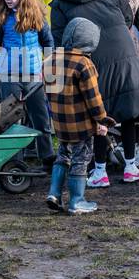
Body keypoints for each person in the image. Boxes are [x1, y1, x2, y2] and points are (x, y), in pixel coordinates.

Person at [48, 0, 139, 187]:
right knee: (127, 113)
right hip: (123, 52)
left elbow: (59, 37)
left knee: (100, 115)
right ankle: (131, 167)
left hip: (90, 58)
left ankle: (100, 171)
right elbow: (127, 16)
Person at [0, 0, 55, 167]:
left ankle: (47, 157)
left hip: (33, 75)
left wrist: (47, 65)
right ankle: (13, 161)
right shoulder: (2, 17)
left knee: (40, 118)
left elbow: (48, 41)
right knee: (9, 120)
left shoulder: (36, 15)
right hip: (9, 75)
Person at [46, 18, 114, 215]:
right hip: (80, 124)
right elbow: (93, 98)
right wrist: (102, 120)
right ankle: (76, 201)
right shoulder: (84, 64)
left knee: (63, 155)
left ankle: (54, 193)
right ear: (90, 41)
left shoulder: (51, 59)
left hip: (60, 123)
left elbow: (49, 92)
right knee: (81, 158)